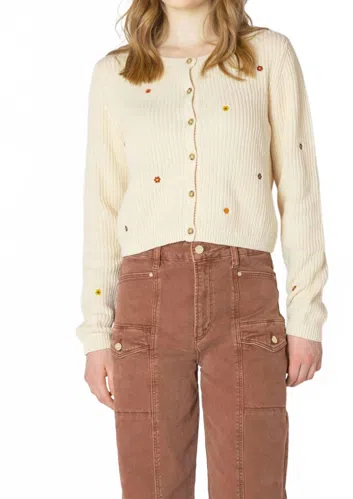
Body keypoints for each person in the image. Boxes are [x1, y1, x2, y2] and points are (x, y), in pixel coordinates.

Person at [76, 0, 328, 497]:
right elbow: (102, 206)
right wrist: (96, 332)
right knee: (151, 488)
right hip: (145, 301)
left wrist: (306, 315)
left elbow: (300, 190)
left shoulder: (268, 55)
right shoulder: (115, 73)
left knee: (253, 486)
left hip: (245, 296)